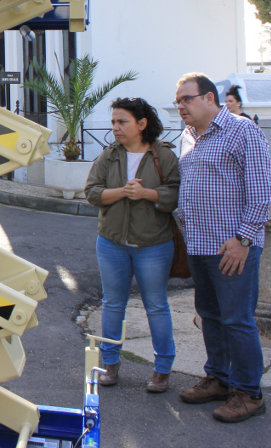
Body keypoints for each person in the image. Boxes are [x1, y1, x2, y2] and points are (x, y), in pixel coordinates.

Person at [174, 72, 271, 423]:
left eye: (186, 99)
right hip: (200, 245)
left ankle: (249, 393)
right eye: (178, 101)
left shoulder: (242, 130)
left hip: (233, 247)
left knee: (237, 320)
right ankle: (219, 378)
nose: (181, 106)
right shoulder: (187, 136)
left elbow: (262, 191)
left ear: (209, 98)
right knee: (211, 317)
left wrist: (244, 239)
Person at [85, 97, 179, 393]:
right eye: (113, 122)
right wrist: (122, 193)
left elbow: (175, 195)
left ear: (142, 124)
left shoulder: (163, 156)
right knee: (113, 304)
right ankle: (110, 364)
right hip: (112, 242)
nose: (116, 128)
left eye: (122, 121)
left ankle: (162, 370)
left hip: (153, 244)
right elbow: (92, 192)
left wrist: (147, 194)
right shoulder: (109, 155)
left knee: (156, 306)